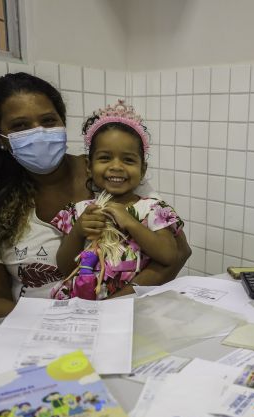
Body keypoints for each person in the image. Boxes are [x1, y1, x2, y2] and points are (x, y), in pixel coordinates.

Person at [0, 73, 191, 319]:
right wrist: (54, 323)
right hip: (38, 333)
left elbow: (177, 252)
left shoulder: (111, 175)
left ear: (62, 123)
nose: (39, 134)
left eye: (48, 120)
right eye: (20, 126)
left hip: (121, 317)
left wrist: (112, 307)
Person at [53, 101, 183, 300]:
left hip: (134, 305)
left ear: (143, 169)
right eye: (105, 158)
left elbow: (169, 256)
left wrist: (131, 223)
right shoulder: (79, 211)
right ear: (89, 166)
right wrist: (78, 231)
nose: (116, 166)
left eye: (128, 160)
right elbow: (65, 267)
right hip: (83, 305)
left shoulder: (152, 209)